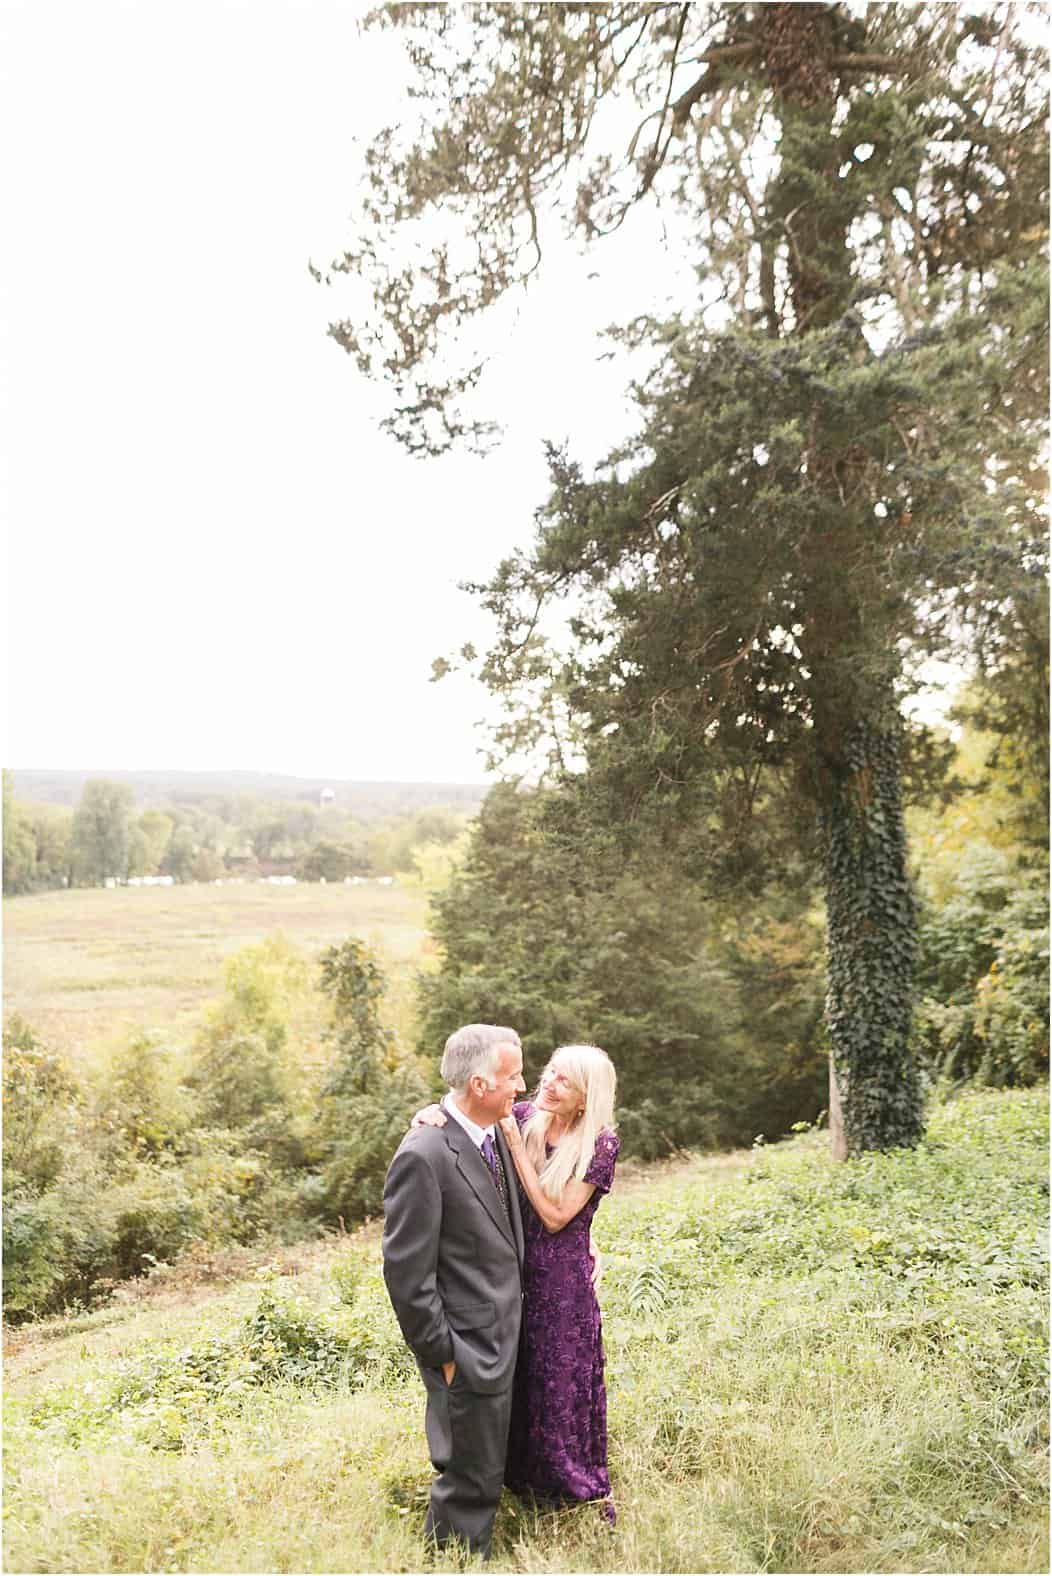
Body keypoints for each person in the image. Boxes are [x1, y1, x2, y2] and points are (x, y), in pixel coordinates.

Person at [414, 1043, 620, 1523]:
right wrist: (428, 1114)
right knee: (517, 1377)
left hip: (563, 1282)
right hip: (511, 1272)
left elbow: (553, 1217)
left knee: (559, 1385)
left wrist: (512, 1138)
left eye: (563, 1081)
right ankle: (520, 1480)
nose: (547, 1083)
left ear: (585, 1097)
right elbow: (466, 1115)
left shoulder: (599, 1144)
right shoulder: (526, 1115)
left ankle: (569, 1488)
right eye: (549, 1072)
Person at [382, 1023, 527, 1559]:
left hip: (505, 1333)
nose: (522, 1086)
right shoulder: (424, 1153)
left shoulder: (497, 1132)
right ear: (480, 1084)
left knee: (490, 1462)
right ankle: (452, 1563)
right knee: (466, 1474)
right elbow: (405, 1273)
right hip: (465, 1345)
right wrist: (444, 1356)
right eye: (512, 1077)